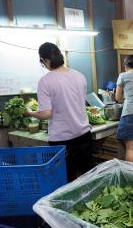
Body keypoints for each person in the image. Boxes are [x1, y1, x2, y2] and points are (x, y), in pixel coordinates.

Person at [26, 42, 93, 182]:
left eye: (42, 62)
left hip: (62, 139)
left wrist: (30, 113)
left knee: (67, 180)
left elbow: (45, 114)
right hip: (84, 134)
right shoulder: (79, 75)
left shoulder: (45, 81)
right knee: (89, 176)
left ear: (44, 60)